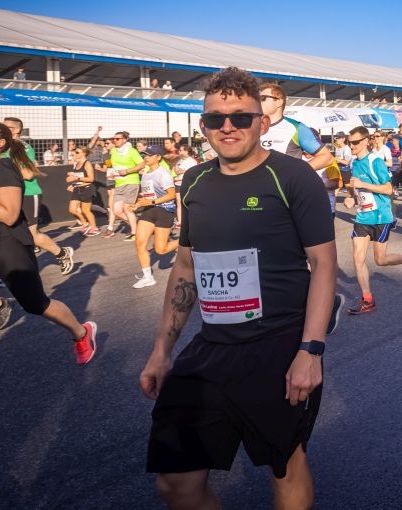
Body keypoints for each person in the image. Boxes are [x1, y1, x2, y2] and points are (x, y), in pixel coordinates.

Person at [139, 66, 336, 509]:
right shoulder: (194, 180)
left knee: (285, 467)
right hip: (212, 345)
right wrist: (162, 350)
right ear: (203, 125)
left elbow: (324, 264)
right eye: (216, 119)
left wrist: (311, 351)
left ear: (262, 123)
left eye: (241, 117)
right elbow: (186, 266)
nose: (227, 127)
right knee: (175, 483)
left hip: (278, 345)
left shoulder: (292, 177)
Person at [0, 120, 96, 363]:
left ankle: (81, 333)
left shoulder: (3, 168)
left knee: (35, 304)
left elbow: (9, 215)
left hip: (8, 244)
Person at [341, 126, 402, 314]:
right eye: (349, 142)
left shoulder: (375, 161)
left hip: (380, 216)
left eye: (355, 142)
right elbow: (356, 188)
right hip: (363, 216)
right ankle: (367, 299)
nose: (351, 146)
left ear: (365, 141)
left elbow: (388, 189)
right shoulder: (354, 163)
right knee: (358, 258)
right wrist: (352, 198)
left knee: (380, 260)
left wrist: (363, 184)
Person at [2, 118, 75, 273]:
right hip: (9, 195)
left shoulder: (22, 147)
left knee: (32, 234)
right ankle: (6, 273)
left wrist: (2, 173)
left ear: (16, 130)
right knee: (7, 235)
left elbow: (28, 174)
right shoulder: (3, 146)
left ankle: (62, 253)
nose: (2, 128)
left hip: (28, 194)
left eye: (6, 126)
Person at [128, 145, 180, 289]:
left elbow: (171, 195)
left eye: (150, 155)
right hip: (149, 211)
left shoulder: (163, 174)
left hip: (164, 211)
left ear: (158, 157)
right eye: (145, 155)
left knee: (160, 250)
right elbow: (147, 195)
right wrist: (137, 204)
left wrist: (151, 202)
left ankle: (187, 240)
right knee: (139, 243)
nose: (146, 157)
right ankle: (147, 277)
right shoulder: (145, 173)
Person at [258, 82, 335, 172]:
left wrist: (295, 173)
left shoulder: (297, 128)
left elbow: (327, 158)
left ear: (279, 102)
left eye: (263, 98)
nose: (258, 102)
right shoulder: (250, 126)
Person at [101, 129, 145, 241]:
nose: (115, 140)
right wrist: (112, 174)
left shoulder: (132, 151)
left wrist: (127, 171)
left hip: (131, 182)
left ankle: (134, 232)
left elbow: (142, 164)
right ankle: (139, 226)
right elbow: (112, 166)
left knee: (127, 208)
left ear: (125, 140)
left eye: (117, 139)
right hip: (118, 183)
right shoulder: (113, 152)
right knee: (116, 210)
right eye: (113, 139)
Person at [65, 145, 98, 235]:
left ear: (84, 153)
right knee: (72, 209)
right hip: (78, 188)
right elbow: (78, 176)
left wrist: (76, 178)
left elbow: (91, 179)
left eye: (77, 152)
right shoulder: (77, 163)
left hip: (86, 189)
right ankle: (85, 223)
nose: (75, 154)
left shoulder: (87, 164)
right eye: (75, 152)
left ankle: (94, 228)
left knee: (85, 211)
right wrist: (72, 183)